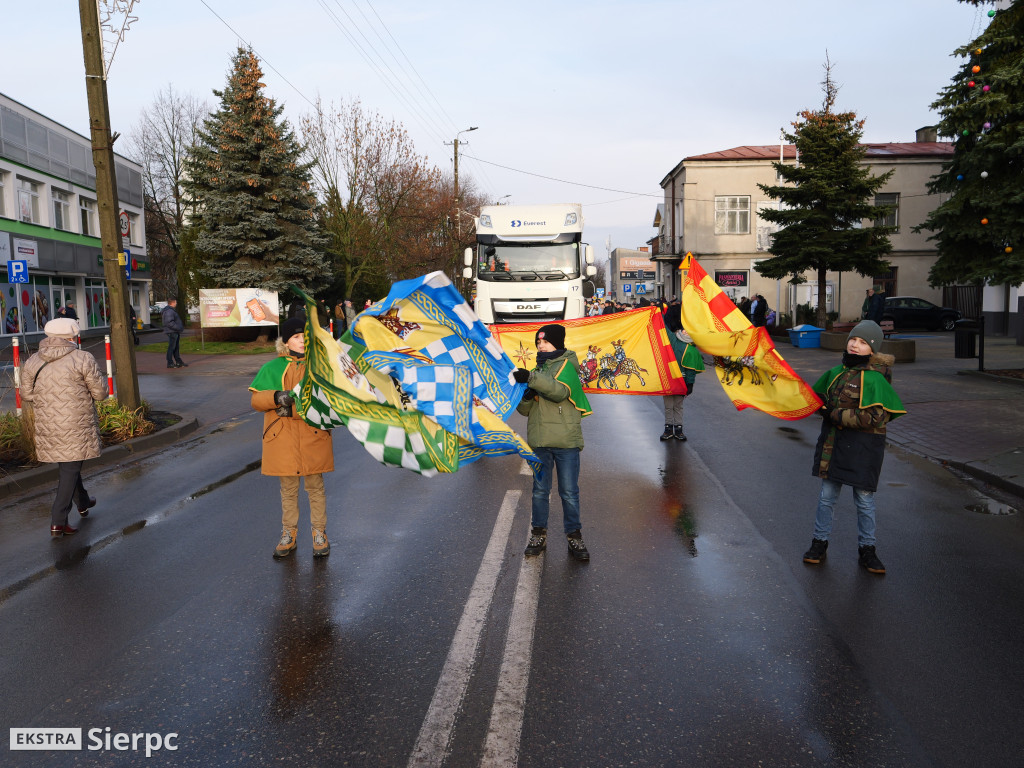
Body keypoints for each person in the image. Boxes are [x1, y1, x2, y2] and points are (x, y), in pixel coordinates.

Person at [802, 320, 906, 575]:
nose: (856, 345)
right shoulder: (836, 372)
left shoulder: (877, 380)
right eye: (853, 340)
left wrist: (833, 414)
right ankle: (819, 543)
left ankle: (867, 550)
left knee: (864, 500)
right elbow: (818, 399)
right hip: (834, 445)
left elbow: (875, 418)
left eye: (863, 342)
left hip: (864, 449)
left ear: (873, 349)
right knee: (827, 498)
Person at [249, 316, 335, 559]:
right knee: (287, 489)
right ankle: (289, 534)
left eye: (305, 337)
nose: (302, 341)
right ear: (285, 342)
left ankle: (319, 534)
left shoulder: (320, 367)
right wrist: (276, 397)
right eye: (296, 337)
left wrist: (297, 408)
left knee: (315, 487)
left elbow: (331, 400)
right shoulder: (272, 368)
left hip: (312, 434)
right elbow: (256, 400)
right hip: (283, 438)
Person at [20, 318, 107, 537]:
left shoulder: (33, 360)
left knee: (69, 464)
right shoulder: (82, 358)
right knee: (70, 467)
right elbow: (100, 393)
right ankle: (58, 521)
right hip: (76, 422)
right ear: (71, 336)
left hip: (48, 423)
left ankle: (83, 501)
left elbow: (26, 394)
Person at [514, 325, 592, 561]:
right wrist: (526, 396)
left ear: (557, 342)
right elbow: (525, 411)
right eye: (538, 342)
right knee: (539, 491)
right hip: (540, 440)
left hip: (565, 441)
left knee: (568, 492)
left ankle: (574, 537)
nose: (541, 345)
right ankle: (538, 534)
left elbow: (559, 392)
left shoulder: (567, 365)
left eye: (545, 342)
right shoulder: (538, 368)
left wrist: (531, 379)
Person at [660, 303, 705, 441]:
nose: (685, 331)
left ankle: (678, 429)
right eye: (683, 329)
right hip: (669, 380)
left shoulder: (691, 349)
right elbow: (664, 328)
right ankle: (668, 429)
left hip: (681, 382)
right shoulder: (673, 339)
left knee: (678, 407)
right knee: (668, 407)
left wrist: (690, 384)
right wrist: (658, 313)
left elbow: (690, 370)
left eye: (687, 329)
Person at [161, 298, 187, 369]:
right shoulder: (169, 311)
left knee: (175, 347)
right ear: (172, 303)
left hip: (174, 331)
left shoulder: (170, 310)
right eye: (176, 302)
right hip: (172, 331)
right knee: (172, 347)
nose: (176, 303)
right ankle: (170, 363)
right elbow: (169, 322)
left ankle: (178, 362)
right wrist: (178, 327)